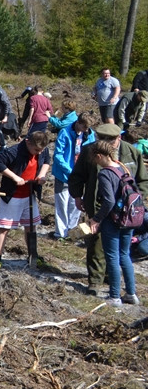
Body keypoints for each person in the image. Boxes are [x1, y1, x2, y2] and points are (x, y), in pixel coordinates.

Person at [69, 123, 148, 296]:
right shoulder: (90, 151)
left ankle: (116, 283)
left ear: (118, 138)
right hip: (99, 206)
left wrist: (136, 202)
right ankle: (96, 281)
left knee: (121, 250)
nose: (107, 143)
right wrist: (77, 196)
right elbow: (77, 176)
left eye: (110, 140)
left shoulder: (132, 152)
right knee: (96, 243)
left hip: (125, 211)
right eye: (103, 139)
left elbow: (142, 180)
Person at [86, 140, 140, 308]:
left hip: (114, 220)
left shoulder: (104, 174)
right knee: (125, 255)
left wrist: (96, 219)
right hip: (129, 218)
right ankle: (131, 294)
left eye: (94, 159)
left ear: (99, 156)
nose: (95, 162)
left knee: (112, 257)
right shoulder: (123, 167)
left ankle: (115, 296)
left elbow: (108, 201)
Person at [0, 132, 52, 269]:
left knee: (31, 227)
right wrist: (14, 177)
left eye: (41, 150)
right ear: (28, 143)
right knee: (4, 227)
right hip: (13, 196)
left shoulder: (42, 150)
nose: (39, 153)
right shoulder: (14, 151)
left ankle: (32, 255)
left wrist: (41, 175)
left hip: (29, 194)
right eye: (36, 150)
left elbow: (46, 159)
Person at [50, 113, 96, 241]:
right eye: (85, 127)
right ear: (78, 123)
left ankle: (72, 232)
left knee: (76, 204)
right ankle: (60, 233)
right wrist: (70, 171)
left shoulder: (90, 134)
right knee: (62, 204)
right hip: (64, 174)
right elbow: (58, 155)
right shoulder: (64, 132)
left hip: (80, 176)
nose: (86, 130)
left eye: (88, 128)